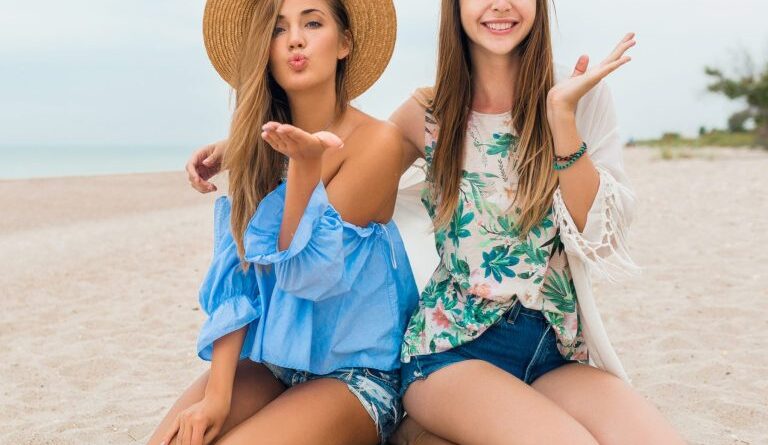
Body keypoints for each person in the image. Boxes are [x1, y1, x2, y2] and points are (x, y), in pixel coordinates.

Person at [185, 1, 686, 444]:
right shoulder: (428, 112)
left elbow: (599, 237)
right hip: (452, 349)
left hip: (553, 349)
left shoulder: (574, 95)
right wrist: (241, 147)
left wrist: (561, 118)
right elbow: (349, 143)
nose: (499, 5)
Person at [146, 1, 419, 444]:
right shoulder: (258, 146)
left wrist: (305, 170)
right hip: (271, 362)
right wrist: (217, 395)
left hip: (356, 373)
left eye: (312, 22)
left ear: (344, 43)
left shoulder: (378, 143)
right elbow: (239, 276)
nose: (295, 39)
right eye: (278, 30)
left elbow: (305, 274)